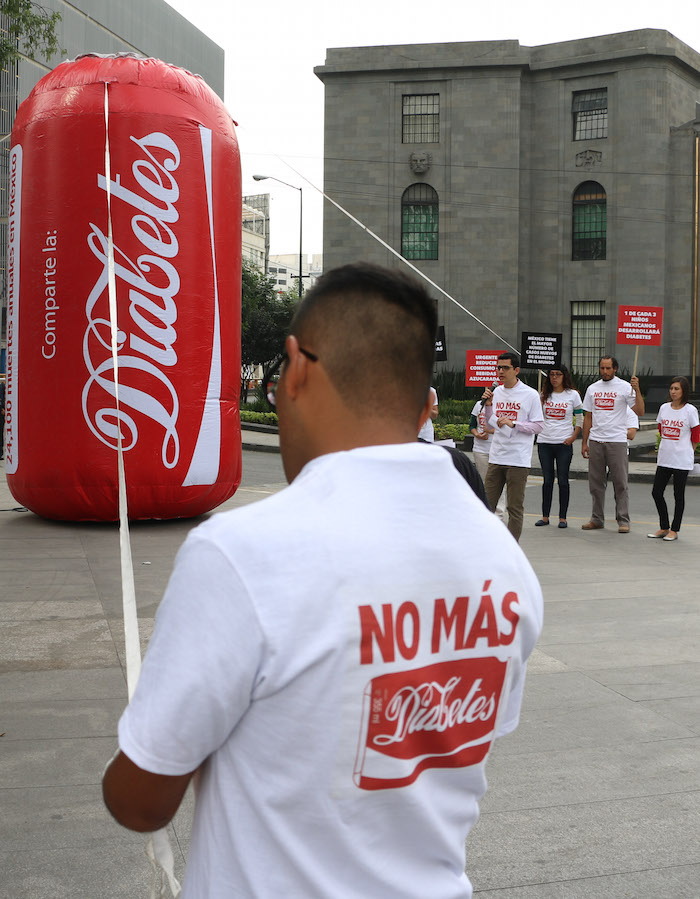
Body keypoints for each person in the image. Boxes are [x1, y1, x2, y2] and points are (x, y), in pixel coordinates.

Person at [102, 263, 543, 899]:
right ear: (426, 406)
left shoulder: (243, 554)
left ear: (296, 369)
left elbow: (140, 803)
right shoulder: (506, 566)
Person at [482, 352, 544, 542]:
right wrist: (489, 406)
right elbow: (490, 424)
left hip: (517, 458)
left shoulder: (530, 394)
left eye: (505, 368)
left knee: (514, 508)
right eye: (498, 367)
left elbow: (539, 426)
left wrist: (514, 423)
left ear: (516, 370)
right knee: (486, 505)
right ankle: (484, 544)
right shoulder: (496, 392)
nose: (500, 371)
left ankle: (512, 549)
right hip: (496, 456)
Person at [581, 355, 645, 533]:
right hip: (596, 440)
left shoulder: (625, 387)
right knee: (595, 483)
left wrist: (637, 390)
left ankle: (623, 520)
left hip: (616, 441)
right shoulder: (593, 388)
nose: (605, 371)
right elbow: (588, 417)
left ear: (615, 368)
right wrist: (584, 443)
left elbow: (640, 411)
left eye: (608, 368)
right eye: (602, 368)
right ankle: (596, 518)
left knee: (620, 483)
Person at [648, 376, 699, 542]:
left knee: (679, 496)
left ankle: (674, 529)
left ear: (684, 391)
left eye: (677, 389)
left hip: (681, 460)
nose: (673, 392)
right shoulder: (664, 408)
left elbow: (696, 436)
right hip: (665, 458)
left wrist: (688, 453)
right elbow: (661, 430)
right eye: (671, 388)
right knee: (656, 492)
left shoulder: (690, 410)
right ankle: (664, 526)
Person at [534, 365, 582, 529]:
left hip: (563, 443)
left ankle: (563, 517)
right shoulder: (544, 395)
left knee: (563, 480)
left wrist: (573, 436)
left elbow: (580, 417)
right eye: (552, 374)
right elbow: (536, 417)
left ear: (564, 376)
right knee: (547, 480)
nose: (554, 377)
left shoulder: (573, 395)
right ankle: (545, 516)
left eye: (558, 374)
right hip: (545, 442)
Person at [470, 397, 507, 521]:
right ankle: (485, 511)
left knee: (498, 481)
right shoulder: (478, 404)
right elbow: (472, 424)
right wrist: (477, 434)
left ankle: (499, 513)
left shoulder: (501, 405)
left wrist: (490, 431)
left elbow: (507, 429)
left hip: (497, 448)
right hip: (480, 449)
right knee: (483, 481)